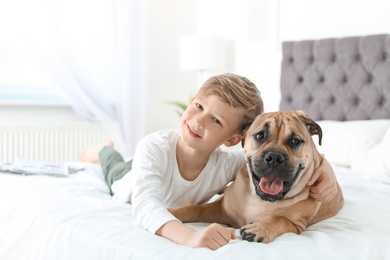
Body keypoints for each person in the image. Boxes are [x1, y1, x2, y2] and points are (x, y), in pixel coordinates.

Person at [79, 73, 338, 250]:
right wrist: (191, 238)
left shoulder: (230, 163)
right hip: (130, 180)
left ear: (235, 139)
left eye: (217, 121)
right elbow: (146, 206)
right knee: (113, 166)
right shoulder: (152, 147)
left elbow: (298, 155)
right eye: (199, 107)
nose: (199, 121)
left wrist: (326, 169)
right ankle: (102, 150)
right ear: (191, 102)